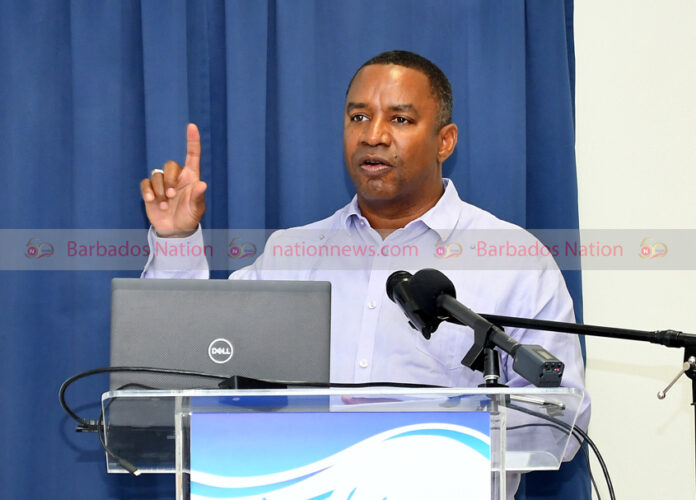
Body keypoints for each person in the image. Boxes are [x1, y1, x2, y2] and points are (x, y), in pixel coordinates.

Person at [140, 50, 590, 497]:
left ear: (445, 141)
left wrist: (418, 443)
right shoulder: (291, 255)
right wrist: (176, 239)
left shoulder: (513, 260)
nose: (373, 136)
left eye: (400, 119)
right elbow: (193, 368)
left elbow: (561, 422)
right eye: (359, 117)